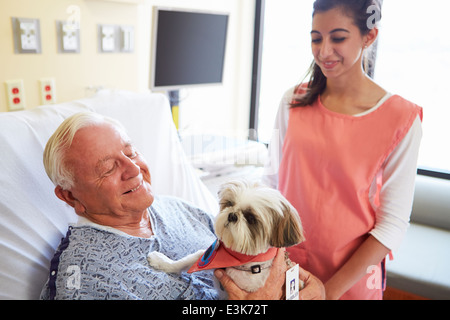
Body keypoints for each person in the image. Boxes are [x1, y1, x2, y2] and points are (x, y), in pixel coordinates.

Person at [40, 112, 324, 300]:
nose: (133, 169)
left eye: (130, 152)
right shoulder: (85, 277)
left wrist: (312, 291)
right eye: (108, 168)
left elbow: (302, 282)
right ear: (71, 197)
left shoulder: (181, 210)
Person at [264, 0, 422, 300]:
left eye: (338, 38)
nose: (324, 51)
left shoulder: (401, 120)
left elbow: (393, 224)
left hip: (351, 283)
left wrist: (329, 291)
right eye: (316, 38)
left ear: (369, 36)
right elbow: (270, 182)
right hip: (285, 270)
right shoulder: (292, 102)